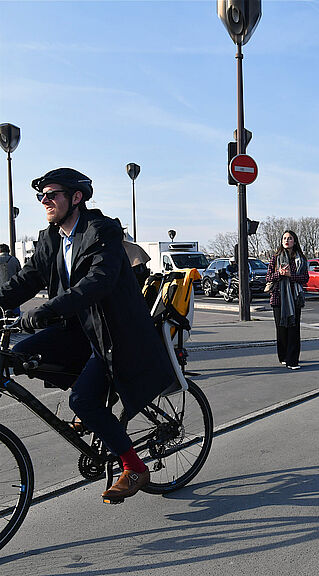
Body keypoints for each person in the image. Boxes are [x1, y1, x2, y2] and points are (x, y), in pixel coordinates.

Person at [0, 167, 178, 502]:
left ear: (76, 197)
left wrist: (47, 310)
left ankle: (134, 466)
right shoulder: (51, 238)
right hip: (77, 330)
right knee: (18, 358)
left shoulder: (101, 232)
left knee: (82, 399)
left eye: (51, 195)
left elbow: (97, 282)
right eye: (41, 196)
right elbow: (27, 279)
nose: (44, 201)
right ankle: (93, 407)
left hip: (113, 334)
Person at [266, 230, 309, 369]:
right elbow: (268, 277)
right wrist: (279, 274)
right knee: (281, 330)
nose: (286, 240)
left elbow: (305, 278)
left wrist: (291, 276)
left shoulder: (301, 259)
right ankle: (283, 356)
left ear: (294, 241)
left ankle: (293, 360)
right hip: (278, 298)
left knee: (294, 330)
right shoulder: (275, 257)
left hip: (295, 297)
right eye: (284, 238)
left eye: (289, 238)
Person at [0, 244, 22, 316]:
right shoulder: (14, 260)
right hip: (13, 289)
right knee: (15, 311)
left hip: (1, 292)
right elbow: (20, 273)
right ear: (8, 251)